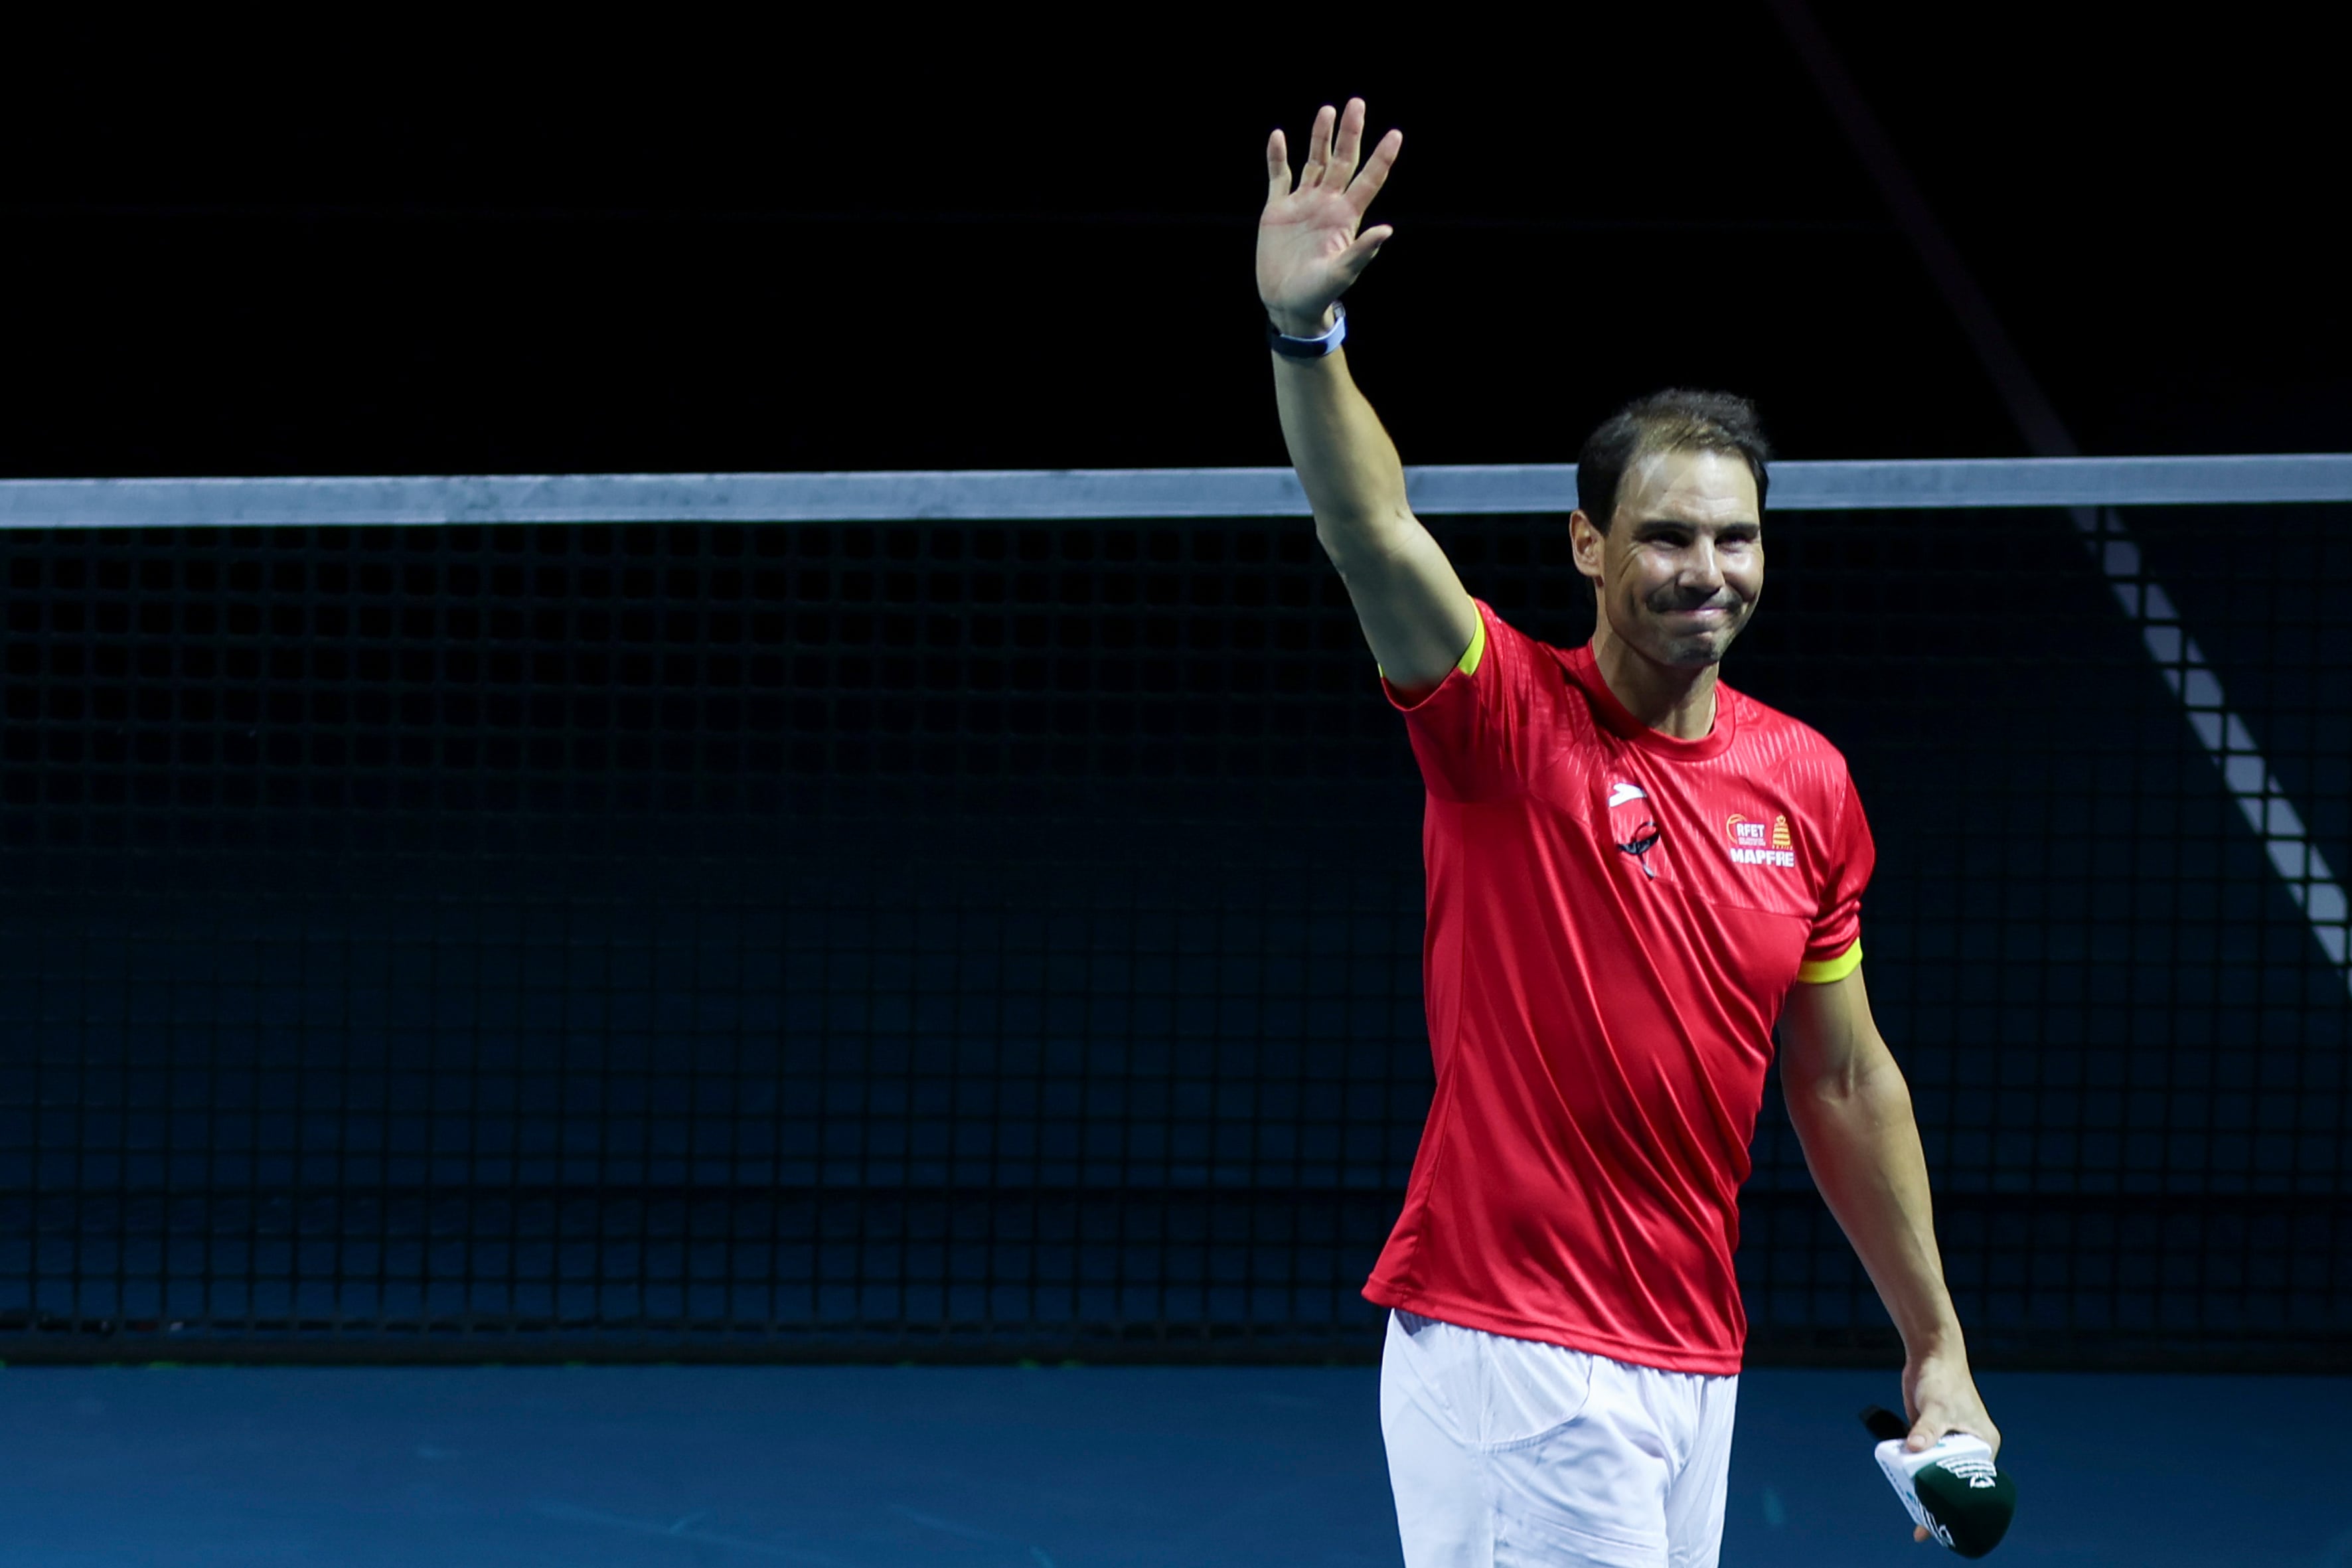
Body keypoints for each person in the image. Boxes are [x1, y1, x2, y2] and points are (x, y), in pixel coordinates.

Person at [1256, 98, 2000, 1567]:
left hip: (1686, 1352)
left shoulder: (1805, 782)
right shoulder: (1498, 722)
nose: (1701, 571)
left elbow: (1841, 1077)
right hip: (1514, 1342)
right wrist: (1303, 340)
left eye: (1732, 537)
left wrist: (1935, 1343)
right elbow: (1370, 527)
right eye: (1663, 536)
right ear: (1589, 544)